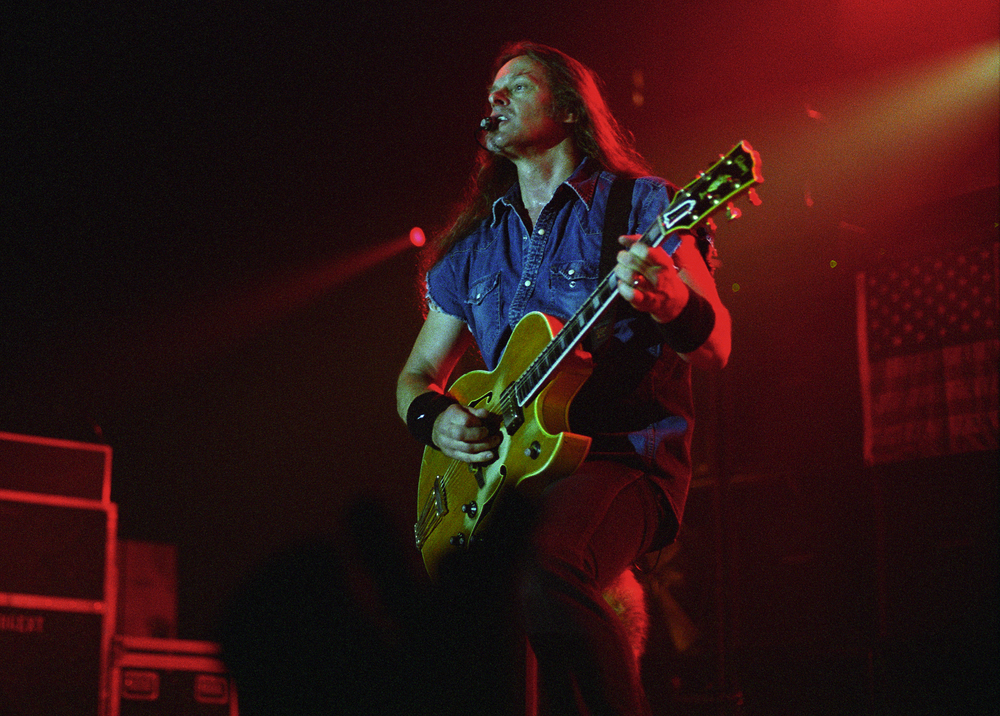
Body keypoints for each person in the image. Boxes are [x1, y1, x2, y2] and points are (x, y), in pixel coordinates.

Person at [396, 41, 731, 716]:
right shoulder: (471, 249)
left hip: (622, 457)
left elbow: (717, 343)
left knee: (543, 567)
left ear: (569, 108)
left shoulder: (645, 207)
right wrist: (441, 420)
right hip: (513, 476)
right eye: (491, 92)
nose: (496, 99)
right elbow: (416, 375)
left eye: (517, 87)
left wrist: (669, 301)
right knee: (491, 634)